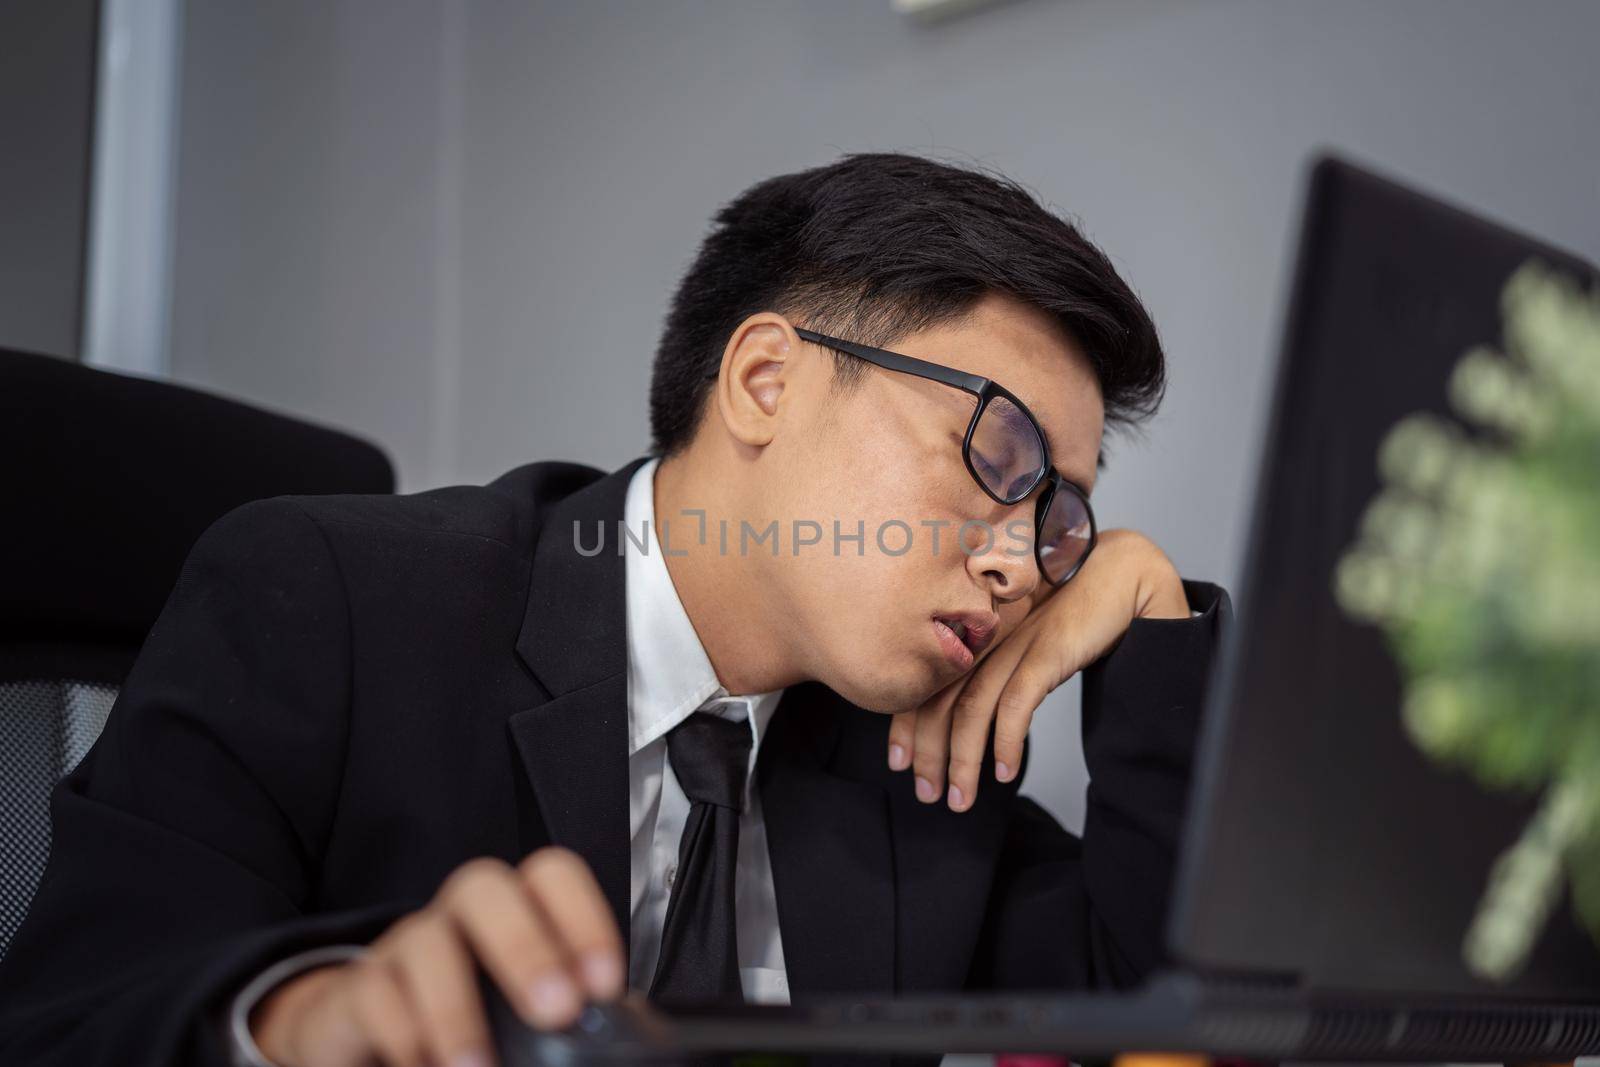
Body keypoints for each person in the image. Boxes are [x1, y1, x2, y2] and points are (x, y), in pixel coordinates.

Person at [0, 152, 1228, 1067]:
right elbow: (66, 1021)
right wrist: (299, 1020)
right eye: (1001, 454)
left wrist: (1154, 619)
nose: (1026, 559)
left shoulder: (913, 750)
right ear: (764, 379)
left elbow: (1166, 1007)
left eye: (1062, 515)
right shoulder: (324, 600)